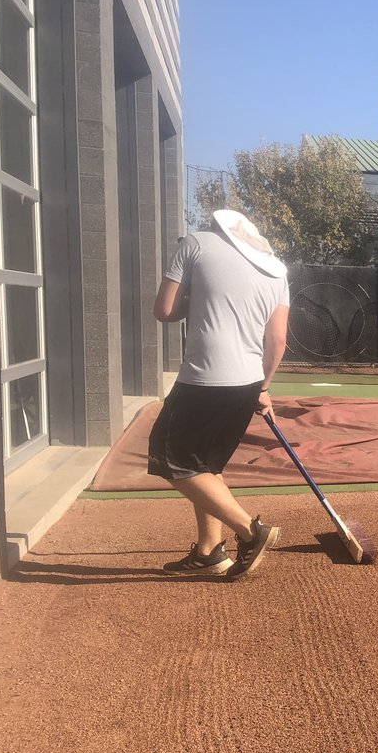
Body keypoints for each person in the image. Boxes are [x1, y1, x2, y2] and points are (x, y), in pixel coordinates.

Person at [149, 210, 290, 578]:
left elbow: (163, 310)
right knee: (206, 467)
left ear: (217, 226)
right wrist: (264, 386)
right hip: (248, 382)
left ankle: (251, 531)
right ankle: (208, 552)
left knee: (171, 461)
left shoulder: (194, 244)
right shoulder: (276, 269)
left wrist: (194, 298)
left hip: (204, 379)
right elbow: (277, 341)